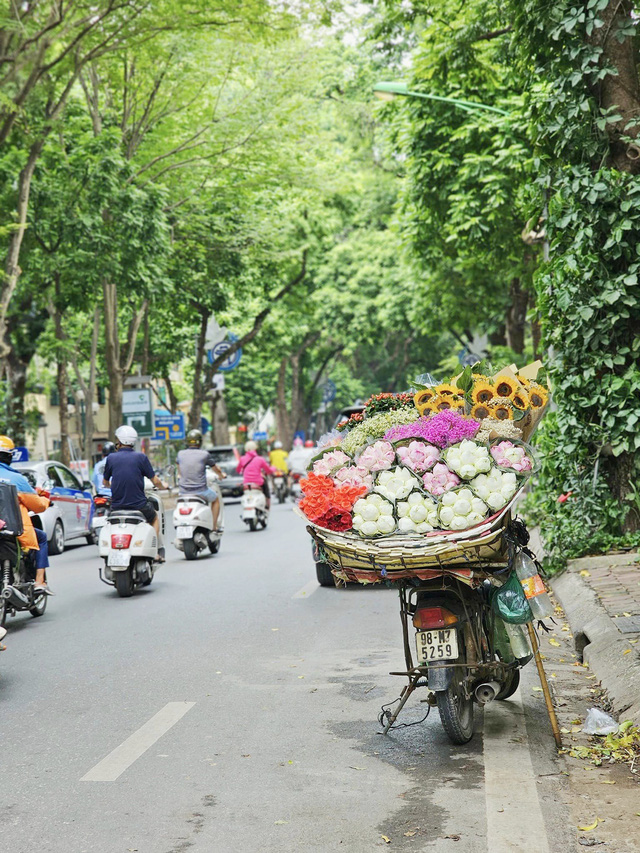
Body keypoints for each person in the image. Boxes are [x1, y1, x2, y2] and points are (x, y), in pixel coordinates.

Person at [102, 425, 168, 561]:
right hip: (139, 506)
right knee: (154, 517)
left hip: (117, 507)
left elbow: (105, 482)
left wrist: (111, 485)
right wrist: (163, 486)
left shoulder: (111, 458)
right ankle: (153, 550)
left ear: (119, 441)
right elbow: (155, 480)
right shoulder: (140, 457)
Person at [0, 435, 53, 594]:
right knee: (42, 537)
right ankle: (39, 581)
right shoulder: (17, 479)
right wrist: (44, 498)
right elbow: (38, 506)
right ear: (10, 457)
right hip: (16, 531)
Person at [176, 429, 226, 532]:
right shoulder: (204, 454)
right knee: (215, 500)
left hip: (183, 492)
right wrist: (221, 475)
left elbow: (179, 471)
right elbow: (216, 469)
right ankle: (213, 526)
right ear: (200, 441)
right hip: (201, 491)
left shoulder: (180, 454)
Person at [237, 440, 278, 510]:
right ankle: (267, 506)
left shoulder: (242, 459)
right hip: (258, 483)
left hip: (246, 484)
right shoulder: (260, 459)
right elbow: (268, 470)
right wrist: (274, 468)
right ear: (255, 448)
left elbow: (238, 470)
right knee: (266, 490)